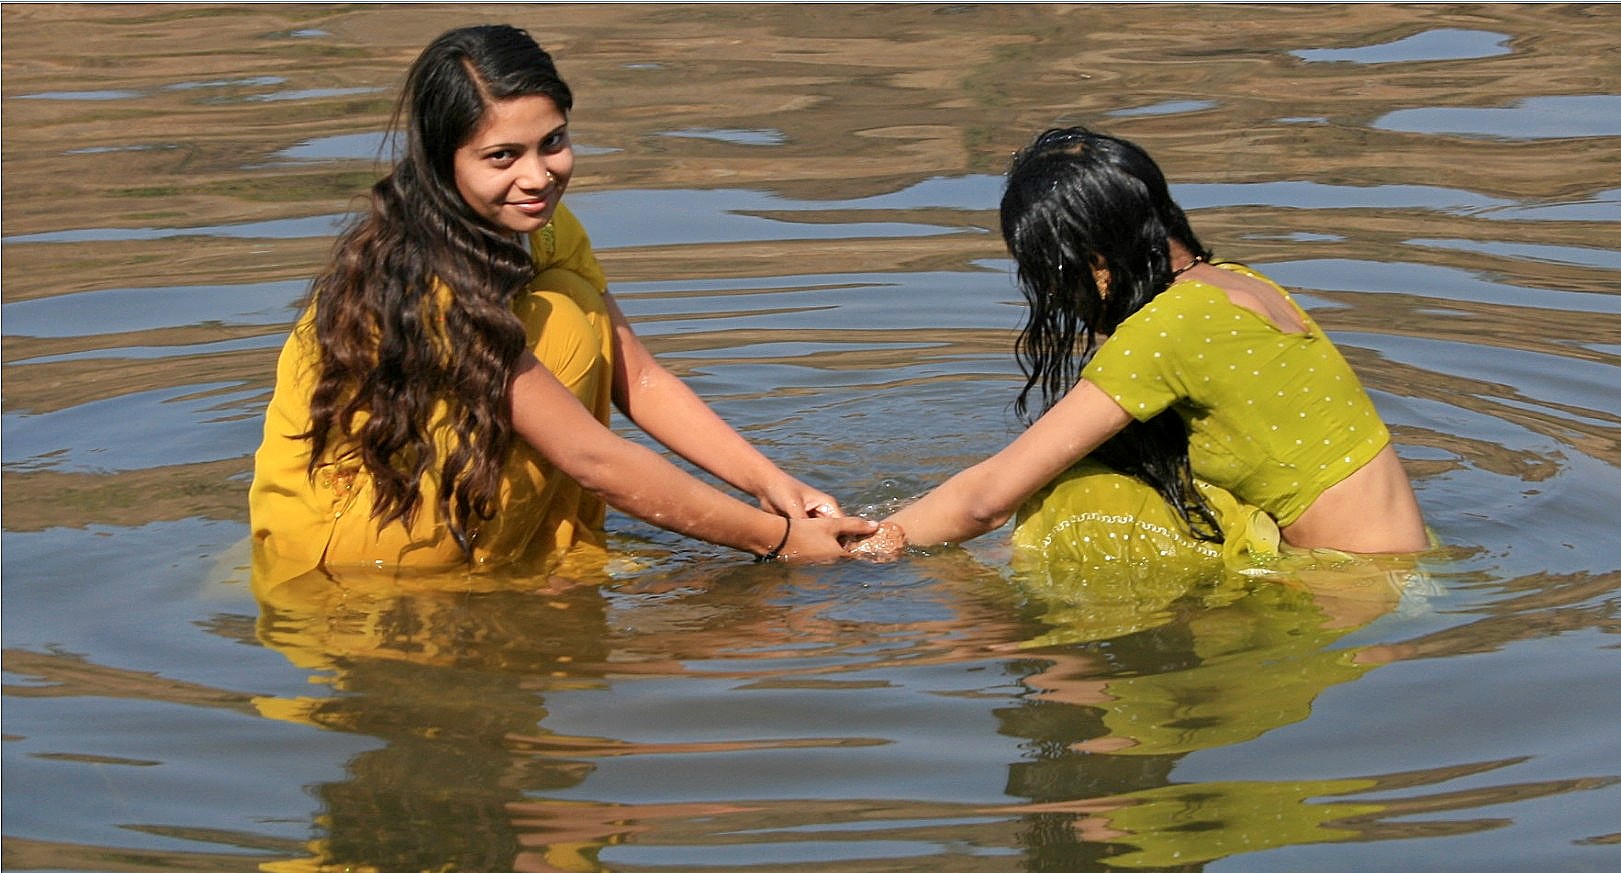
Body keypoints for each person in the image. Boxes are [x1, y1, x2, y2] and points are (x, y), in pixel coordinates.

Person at [249, 24, 875, 586]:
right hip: (352, 556)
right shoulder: (424, 280)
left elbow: (643, 377)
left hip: (424, 505)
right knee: (565, 323)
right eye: (502, 156)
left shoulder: (540, 225)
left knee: (574, 306)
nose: (538, 176)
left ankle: (546, 552)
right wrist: (783, 543)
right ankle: (514, 563)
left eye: (552, 142)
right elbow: (594, 459)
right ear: (443, 164)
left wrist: (773, 485)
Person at [852, 126, 1427, 566]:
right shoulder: (1237, 284)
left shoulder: (1165, 330)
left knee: (1068, 502)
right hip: (1404, 572)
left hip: (1340, 597)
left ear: (1095, 265)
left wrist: (870, 546)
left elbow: (988, 500)